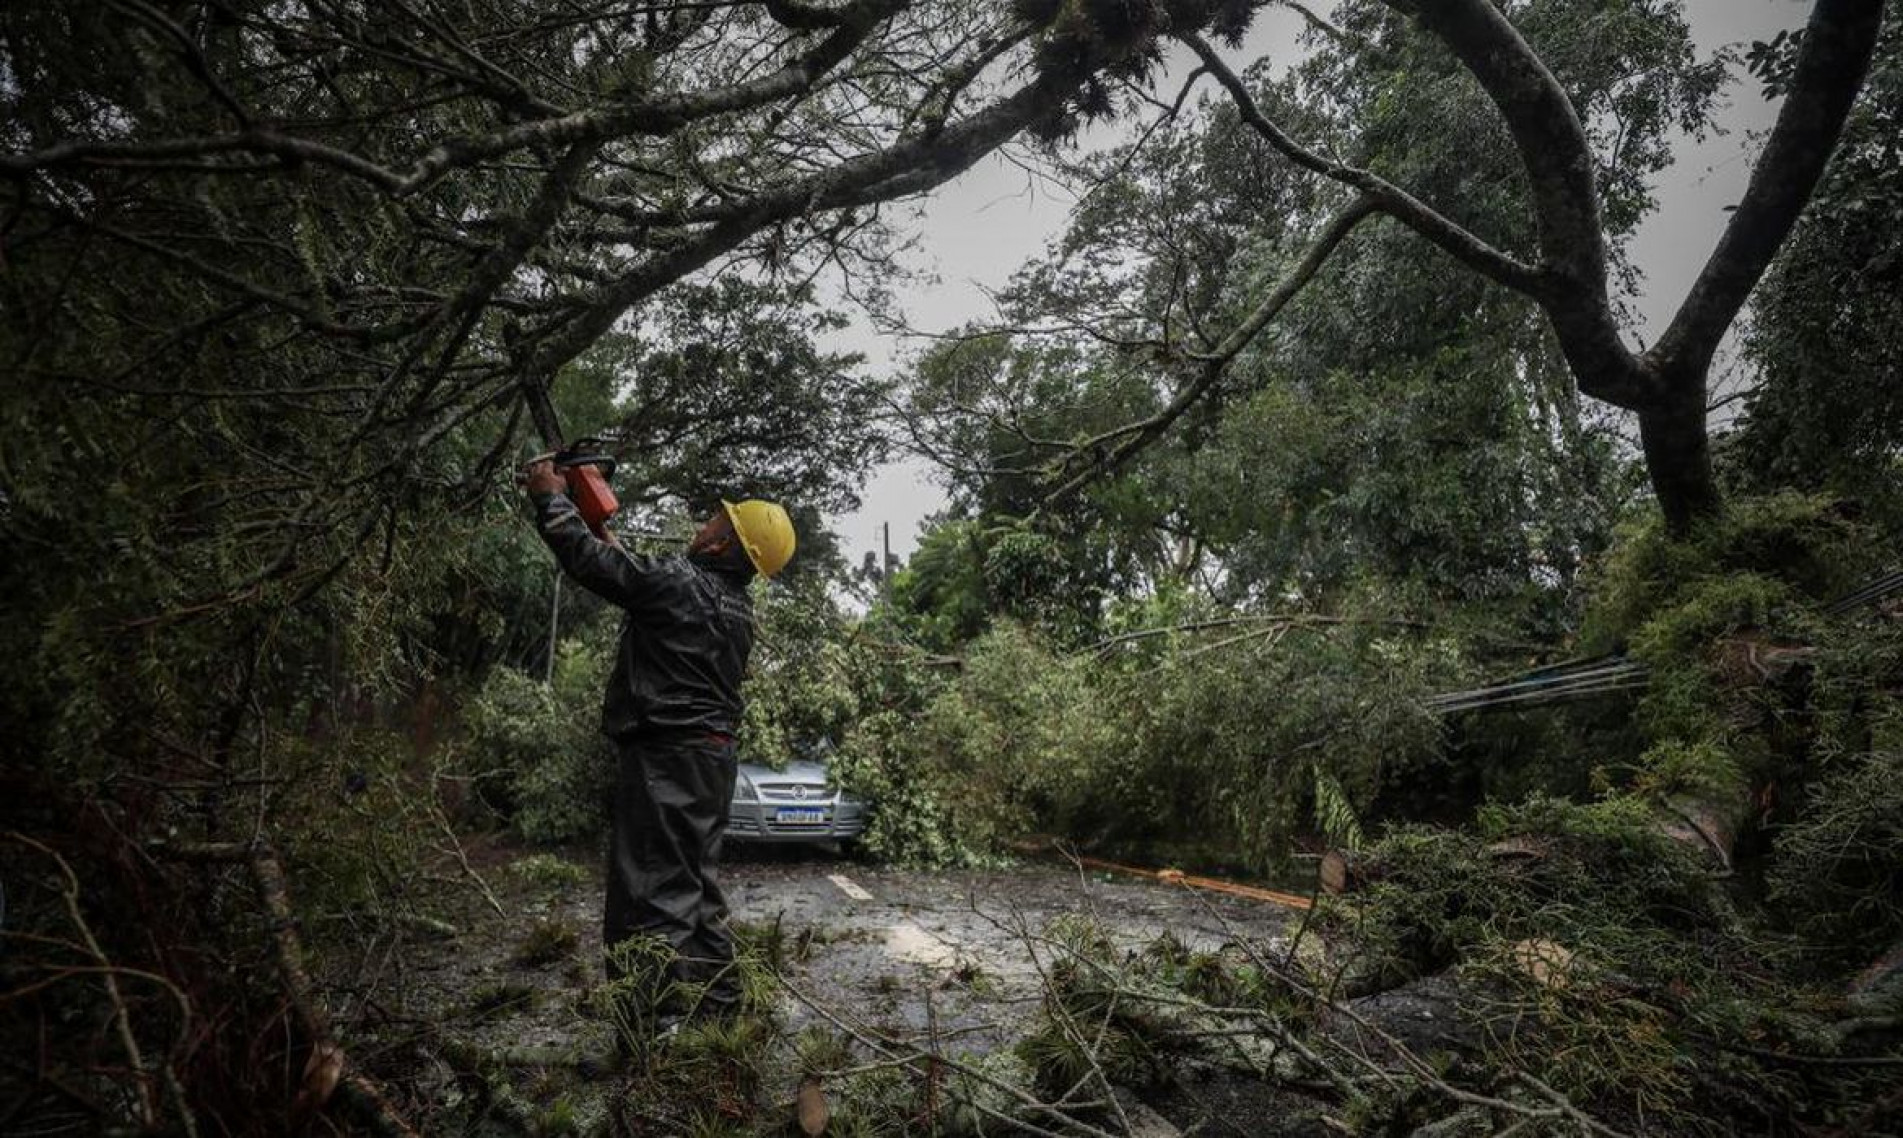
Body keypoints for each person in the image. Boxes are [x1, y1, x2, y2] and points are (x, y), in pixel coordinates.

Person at [523, 459, 795, 1033]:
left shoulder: (678, 583)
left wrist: (551, 498)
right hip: (710, 761)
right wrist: (594, 513)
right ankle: (720, 1020)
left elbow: (598, 567)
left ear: (724, 546)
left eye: (714, 523)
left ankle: (650, 1037)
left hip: (665, 760)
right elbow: (633, 577)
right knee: (694, 889)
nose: (702, 526)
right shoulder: (737, 609)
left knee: (648, 901)